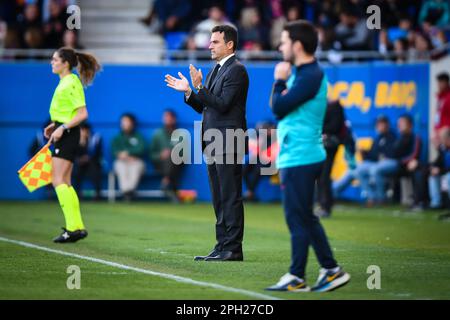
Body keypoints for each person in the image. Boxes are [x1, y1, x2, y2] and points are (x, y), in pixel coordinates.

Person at [265, 20, 350, 293]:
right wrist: (281, 82)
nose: (280, 45)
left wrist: (279, 79)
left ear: (297, 45)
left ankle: (297, 275)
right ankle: (331, 269)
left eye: (285, 40)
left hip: (302, 155)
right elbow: (277, 105)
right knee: (304, 217)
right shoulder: (302, 72)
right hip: (296, 154)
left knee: (296, 217)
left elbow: (278, 107)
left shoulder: (310, 75)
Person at [165, 24, 249, 262]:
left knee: (230, 195)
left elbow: (222, 104)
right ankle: (222, 245)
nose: (209, 45)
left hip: (228, 140)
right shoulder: (216, 69)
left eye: (215, 41)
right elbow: (204, 105)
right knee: (219, 196)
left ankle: (233, 248)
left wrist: (200, 87)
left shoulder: (237, 70)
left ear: (229, 44)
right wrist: (189, 92)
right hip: (213, 141)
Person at [43, 47, 100, 243]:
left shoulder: (70, 82)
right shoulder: (66, 82)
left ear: (65, 63)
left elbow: (83, 114)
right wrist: (55, 125)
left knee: (57, 180)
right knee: (64, 181)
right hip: (65, 132)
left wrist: (63, 127)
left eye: (55, 59)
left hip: (68, 134)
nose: (52, 63)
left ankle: (72, 227)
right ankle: (76, 227)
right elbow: (68, 112)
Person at [356, 115, 397, 205]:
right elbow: (373, 156)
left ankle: (381, 198)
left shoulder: (393, 136)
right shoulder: (377, 138)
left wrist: (380, 155)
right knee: (359, 169)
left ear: (387, 125)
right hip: (377, 163)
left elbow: (392, 152)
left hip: (392, 162)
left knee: (375, 170)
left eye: (382, 124)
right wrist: (364, 153)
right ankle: (371, 197)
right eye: (378, 124)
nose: (379, 126)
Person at [316, 99, 346, 218]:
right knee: (320, 175)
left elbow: (334, 126)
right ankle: (322, 205)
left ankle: (325, 206)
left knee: (324, 175)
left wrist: (320, 130)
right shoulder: (322, 105)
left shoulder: (334, 107)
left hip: (330, 145)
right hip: (321, 145)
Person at [149, 109, 185, 201]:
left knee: (173, 158)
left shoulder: (181, 134)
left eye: (170, 117)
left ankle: (166, 180)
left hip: (177, 164)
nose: (167, 119)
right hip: (160, 164)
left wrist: (172, 153)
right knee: (170, 159)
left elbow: (184, 153)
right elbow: (151, 154)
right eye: (166, 117)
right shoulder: (157, 134)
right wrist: (160, 155)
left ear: (174, 119)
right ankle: (171, 187)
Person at [111, 113, 146, 201]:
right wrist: (126, 157)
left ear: (132, 123)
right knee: (120, 166)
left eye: (127, 121)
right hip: (121, 161)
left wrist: (128, 153)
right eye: (123, 122)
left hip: (136, 161)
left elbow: (141, 149)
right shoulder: (117, 137)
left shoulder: (138, 136)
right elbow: (114, 151)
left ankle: (128, 192)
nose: (124, 124)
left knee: (136, 166)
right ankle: (127, 192)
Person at [73, 122, 103, 200]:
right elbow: (73, 153)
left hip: (93, 162)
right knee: (76, 171)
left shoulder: (96, 138)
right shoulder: (75, 139)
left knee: (94, 171)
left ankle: (97, 194)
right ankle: (77, 194)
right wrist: (81, 144)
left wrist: (88, 158)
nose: (83, 133)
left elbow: (98, 153)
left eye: (85, 130)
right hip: (79, 163)